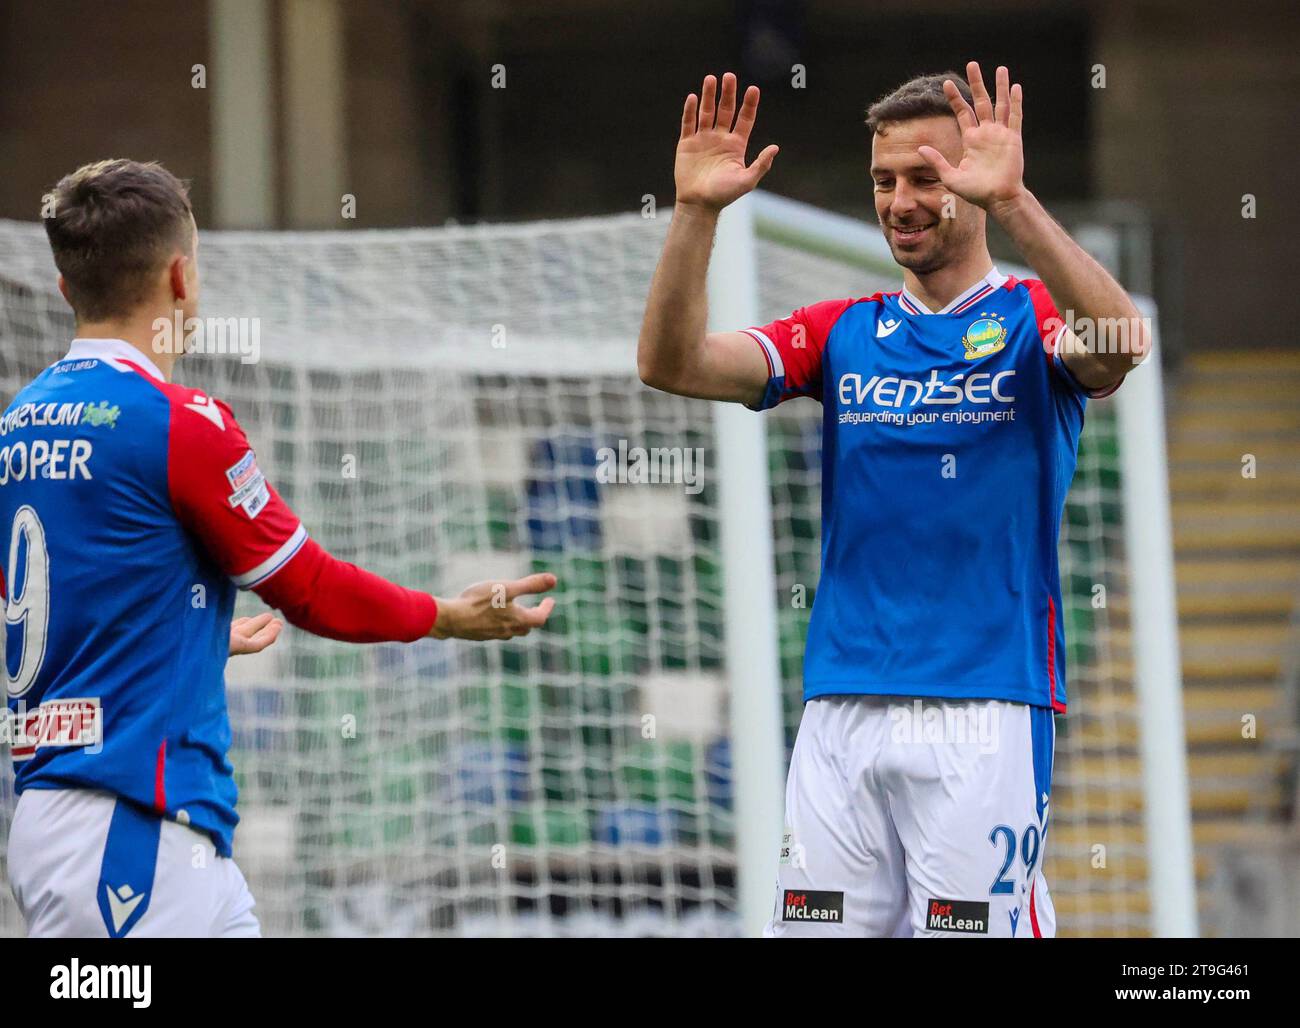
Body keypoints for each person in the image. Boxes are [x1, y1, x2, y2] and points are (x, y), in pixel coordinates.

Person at [637, 63, 1148, 937]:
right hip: (841, 711)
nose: (901, 200)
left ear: (973, 183)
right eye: (884, 180)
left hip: (984, 710)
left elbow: (1118, 344)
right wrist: (694, 214)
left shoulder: (1032, 318)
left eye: (926, 177)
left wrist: (1018, 202)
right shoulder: (842, 331)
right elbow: (671, 364)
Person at [1, 159, 556, 937]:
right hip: (130, 830)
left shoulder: (17, 423)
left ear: (66, 290)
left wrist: (179, 636)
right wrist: (445, 616)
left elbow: (49, 600)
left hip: (105, 827)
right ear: (184, 279)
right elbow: (311, 590)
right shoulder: (180, 423)